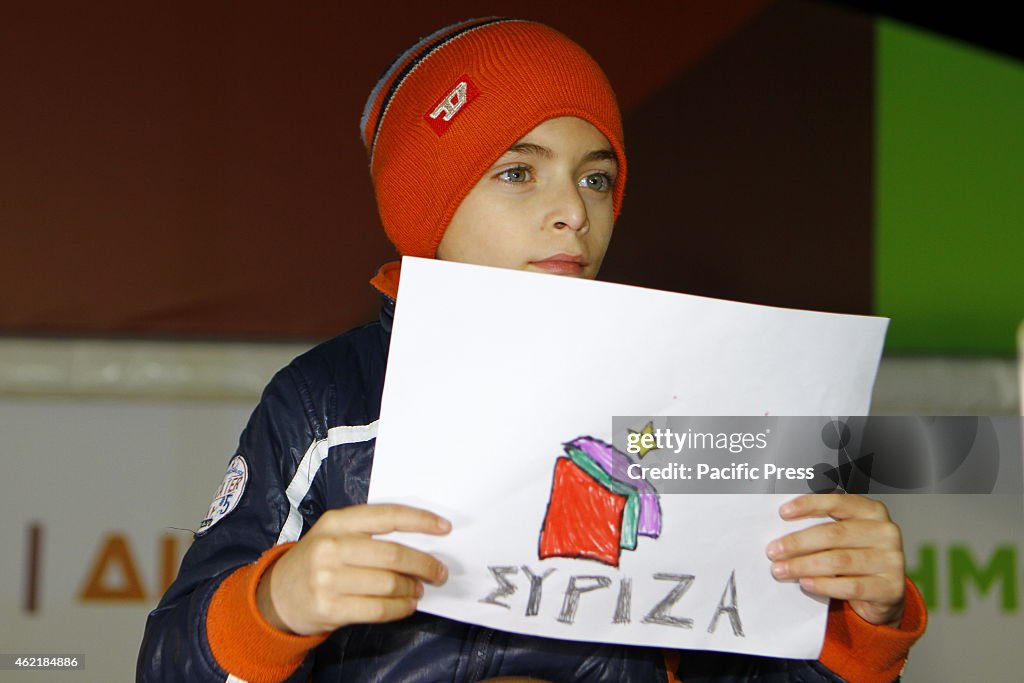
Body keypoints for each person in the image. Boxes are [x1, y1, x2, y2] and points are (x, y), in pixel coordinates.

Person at [138, 17, 925, 683]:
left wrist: (860, 622)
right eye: (518, 172)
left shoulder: (689, 397)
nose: (570, 213)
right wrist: (279, 602)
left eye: (596, 179)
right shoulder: (330, 399)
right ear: (427, 207)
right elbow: (169, 662)